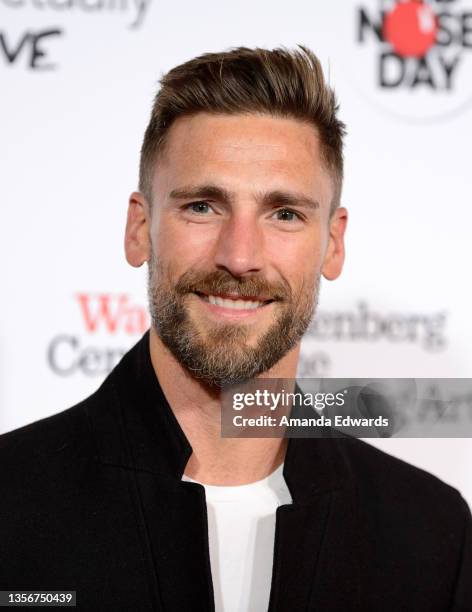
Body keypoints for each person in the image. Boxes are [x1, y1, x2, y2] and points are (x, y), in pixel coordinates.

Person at [0, 46, 470, 612]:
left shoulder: (429, 535)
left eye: (285, 214)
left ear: (333, 243)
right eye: (202, 206)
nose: (240, 257)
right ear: (139, 228)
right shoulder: (10, 501)